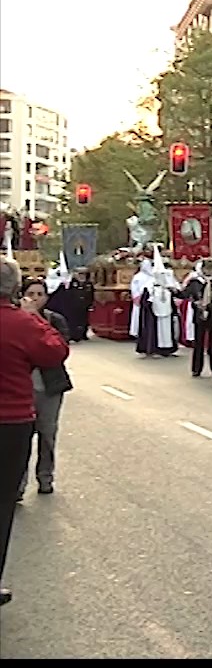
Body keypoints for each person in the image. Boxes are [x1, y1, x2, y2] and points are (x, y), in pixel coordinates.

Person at [0, 256, 70, 607]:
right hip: (11, 422)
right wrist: (34, 318)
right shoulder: (22, 323)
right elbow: (55, 351)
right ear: (15, 288)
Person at [15, 278, 73, 500]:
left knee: (47, 434)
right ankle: (19, 484)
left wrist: (36, 319)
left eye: (40, 294)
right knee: (22, 438)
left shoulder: (54, 320)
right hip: (23, 387)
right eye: (31, 294)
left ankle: (45, 477)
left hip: (50, 386)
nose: (35, 299)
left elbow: (60, 348)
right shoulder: (16, 319)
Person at [136, 247, 180, 358]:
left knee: (168, 329)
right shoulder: (149, 286)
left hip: (167, 313)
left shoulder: (169, 286)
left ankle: (168, 349)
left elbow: (176, 295)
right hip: (154, 314)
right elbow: (145, 302)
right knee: (155, 330)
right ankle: (153, 348)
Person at [182, 259, 212, 377]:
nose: (209, 271)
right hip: (199, 315)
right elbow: (186, 294)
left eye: (211, 269)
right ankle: (197, 368)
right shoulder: (195, 282)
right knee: (199, 343)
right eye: (207, 268)